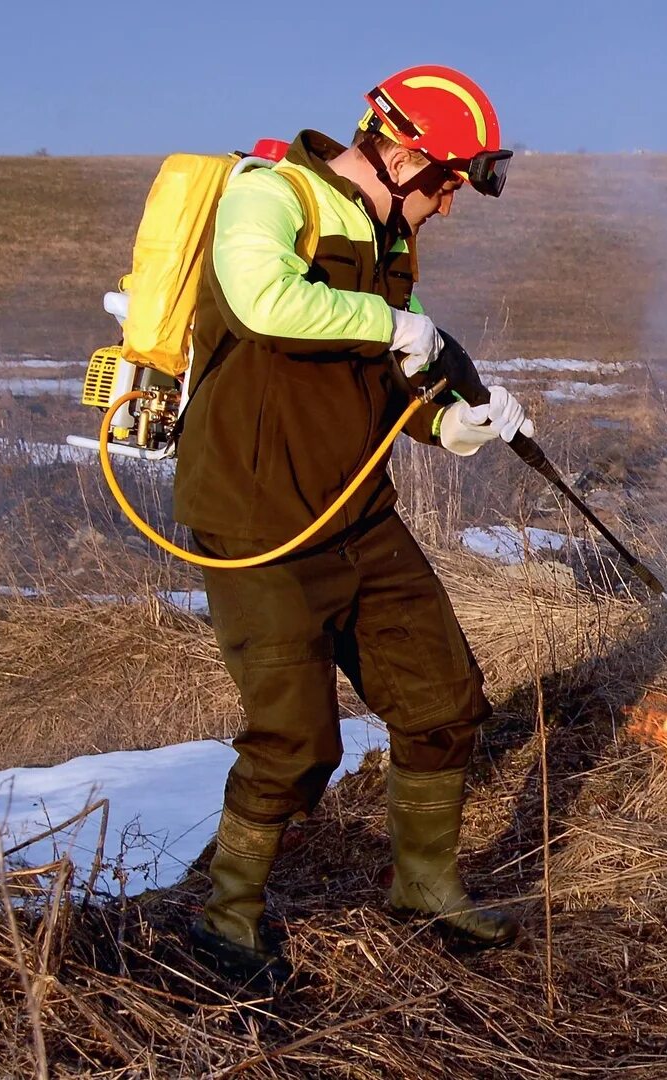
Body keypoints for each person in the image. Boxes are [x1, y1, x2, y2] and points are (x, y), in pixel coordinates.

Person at [173, 65, 531, 984]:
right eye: (448, 181)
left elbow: (391, 373)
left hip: (356, 515)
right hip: (260, 520)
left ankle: (423, 885)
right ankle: (227, 921)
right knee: (296, 741)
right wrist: (390, 324)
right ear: (404, 150)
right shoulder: (272, 196)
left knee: (444, 700)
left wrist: (452, 422)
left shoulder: (391, 239)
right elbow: (265, 301)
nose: (449, 204)